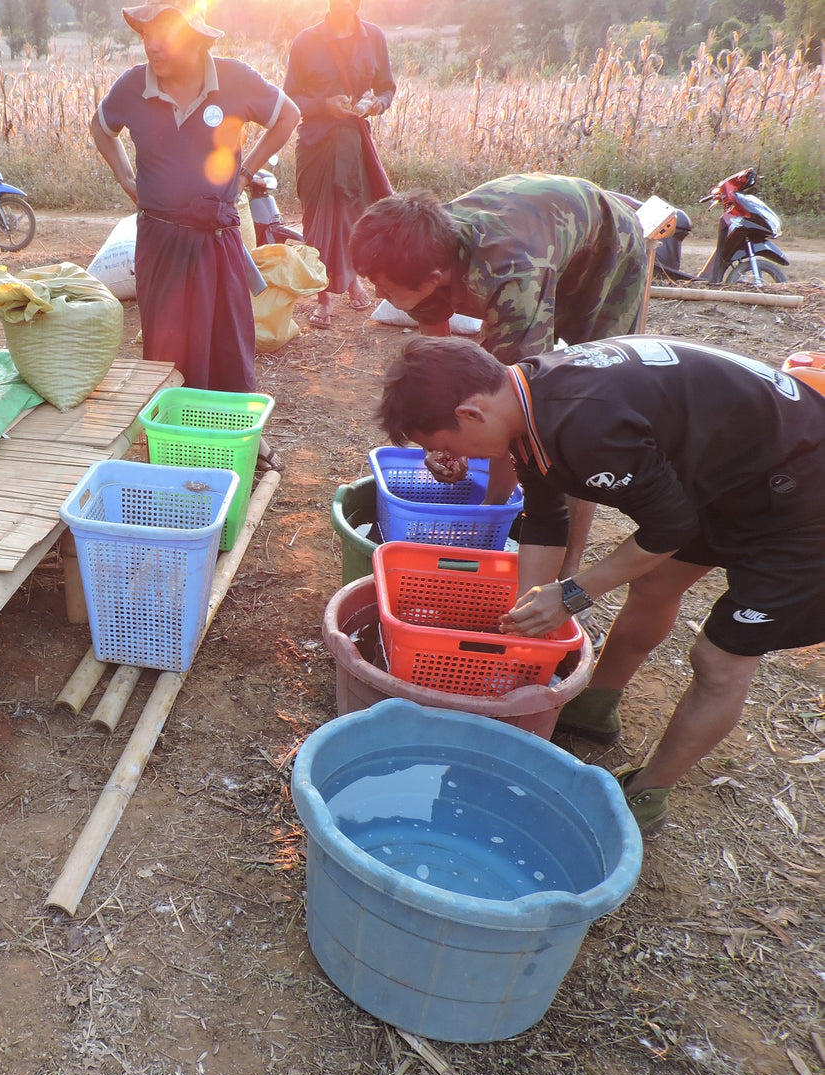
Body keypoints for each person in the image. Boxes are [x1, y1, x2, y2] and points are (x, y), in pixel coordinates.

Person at [376, 334, 825, 834]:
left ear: (471, 413)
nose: (453, 456)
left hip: (806, 497)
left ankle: (647, 793)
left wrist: (572, 594)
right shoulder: (526, 402)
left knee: (718, 660)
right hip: (730, 478)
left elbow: (669, 529)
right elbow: (546, 517)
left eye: (443, 444)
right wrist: (523, 625)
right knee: (654, 584)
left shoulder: (585, 422)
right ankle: (594, 707)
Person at [351, 173, 649, 583]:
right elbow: (439, 363)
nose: (377, 292)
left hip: (605, 248)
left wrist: (486, 513)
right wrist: (444, 441)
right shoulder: (418, 251)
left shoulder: (510, 277)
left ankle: (567, 573)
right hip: (537, 233)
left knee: (580, 414)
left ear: (433, 277)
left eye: (381, 286)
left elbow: (514, 409)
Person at [90, 0, 300, 467]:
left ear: (196, 38)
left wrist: (246, 171)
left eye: (165, 34)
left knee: (229, 335)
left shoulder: (235, 79)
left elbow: (288, 116)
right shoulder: (132, 87)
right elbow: (101, 129)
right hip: (160, 239)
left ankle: (244, 436)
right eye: (146, 34)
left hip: (216, 239)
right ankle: (176, 440)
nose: (152, 44)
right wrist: (127, 179)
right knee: (167, 341)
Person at [284, 0, 394, 328]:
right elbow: (289, 97)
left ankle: (353, 280)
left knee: (353, 214)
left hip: (354, 141)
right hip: (316, 142)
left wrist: (377, 104)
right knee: (317, 217)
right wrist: (323, 105)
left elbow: (387, 87)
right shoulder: (306, 41)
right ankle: (322, 296)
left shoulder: (373, 37)